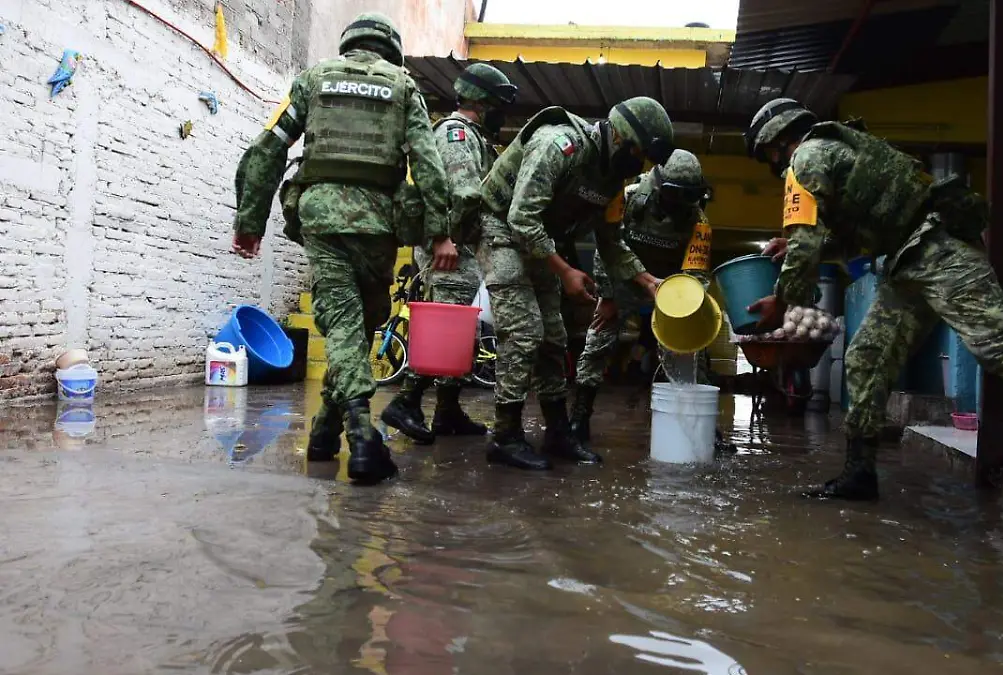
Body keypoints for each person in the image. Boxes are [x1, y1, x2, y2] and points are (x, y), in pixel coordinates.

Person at [744, 98, 1003, 537]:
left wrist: (782, 301)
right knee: (866, 359)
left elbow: (805, 243)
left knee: (1002, 348)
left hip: (939, 248)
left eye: (768, 154)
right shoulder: (832, 149)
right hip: (907, 258)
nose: (772, 163)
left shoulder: (805, 158)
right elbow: (852, 235)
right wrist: (806, 248)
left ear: (779, 141)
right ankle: (859, 472)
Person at [232, 13, 456, 485]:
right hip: (378, 225)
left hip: (322, 218)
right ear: (390, 51)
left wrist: (251, 220)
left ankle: (323, 432)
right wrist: (440, 232)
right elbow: (428, 163)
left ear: (349, 44)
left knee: (354, 329)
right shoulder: (403, 87)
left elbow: (269, 146)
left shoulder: (313, 81)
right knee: (353, 326)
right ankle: (363, 438)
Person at [479, 97, 673, 471]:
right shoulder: (559, 144)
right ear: (619, 135)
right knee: (524, 331)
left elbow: (612, 243)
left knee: (553, 334)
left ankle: (557, 431)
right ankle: (504, 435)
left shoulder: (613, 181)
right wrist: (565, 271)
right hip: (500, 228)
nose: (638, 164)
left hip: (540, 239)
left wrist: (647, 280)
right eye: (636, 152)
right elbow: (520, 218)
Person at [381, 63, 519, 444]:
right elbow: (465, 192)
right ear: (480, 100)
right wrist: (448, 239)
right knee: (445, 330)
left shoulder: (472, 135)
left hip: (458, 245)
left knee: (462, 332)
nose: (499, 112)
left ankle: (446, 410)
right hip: (450, 248)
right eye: (496, 104)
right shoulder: (456, 133)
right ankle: (406, 402)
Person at [569, 149, 716, 441]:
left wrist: (684, 310)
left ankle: (704, 429)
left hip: (669, 287)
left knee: (690, 352)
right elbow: (606, 248)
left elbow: (696, 273)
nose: (682, 204)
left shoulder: (698, 219)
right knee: (598, 341)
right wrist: (608, 297)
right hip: (622, 280)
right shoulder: (628, 197)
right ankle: (579, 418)